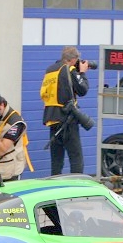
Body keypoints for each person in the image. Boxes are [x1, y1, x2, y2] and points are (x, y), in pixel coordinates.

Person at [41, 45, 91, 175]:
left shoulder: (50, 70)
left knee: (56, 160)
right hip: (68, 120)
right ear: (73, 59)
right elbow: (83, 89)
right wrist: (82, 72)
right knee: (76, 158)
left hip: (52, 119)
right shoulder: (70, 69)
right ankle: (76, 188)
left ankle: (55, 188)